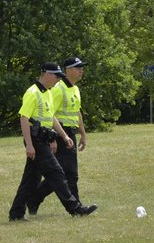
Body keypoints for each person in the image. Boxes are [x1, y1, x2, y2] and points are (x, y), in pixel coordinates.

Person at [8, 62, 98, 221]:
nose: (58, 80)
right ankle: (75, 208)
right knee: (56, 172)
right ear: (46, 74)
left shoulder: (48, 92)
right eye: (56, 76)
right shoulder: (32, 92)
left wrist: (63, 136)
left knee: (31, 179)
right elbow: (24, 118)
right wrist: (29, 144)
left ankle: (16, 214)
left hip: (44, 138)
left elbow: (51, 118)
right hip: (35, 139)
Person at [28, 56, 91, 214]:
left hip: (70, 133)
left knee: (61, 172)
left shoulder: (75, 89)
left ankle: (35, 198)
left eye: (82, 67)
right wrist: (54, 138)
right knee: (69, 173)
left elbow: (77, 112)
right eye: (78, 68)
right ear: (68, 71)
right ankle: (77, 207)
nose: (81, 70)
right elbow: (51, 115)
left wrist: (82, 133)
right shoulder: (58, 88)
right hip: (60, 132)